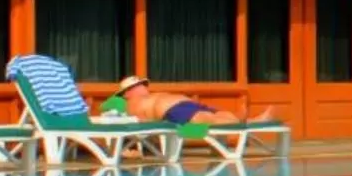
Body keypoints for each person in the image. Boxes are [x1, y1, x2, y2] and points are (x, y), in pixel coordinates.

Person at [115, 77, 277, 127]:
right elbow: (139, 123)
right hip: (172, 111)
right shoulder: (131, 103)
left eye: (144, 84)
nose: (143, 86)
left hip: (186, 106)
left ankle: (247, 121)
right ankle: (245, 124)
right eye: (138, 85)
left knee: (222, 114)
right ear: (127, 92)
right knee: (209, 120)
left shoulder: (146, 96)